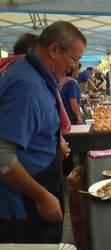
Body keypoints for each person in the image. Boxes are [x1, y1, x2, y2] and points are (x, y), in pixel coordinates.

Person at [0, 21, 86, 243]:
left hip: (40, 189)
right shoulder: (26, 85)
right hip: (24, 204)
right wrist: (41, 196)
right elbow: (2, 154)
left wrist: (51, 143)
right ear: (54, 50)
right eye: (74, 59)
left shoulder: (39, 76)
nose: (75, 68)